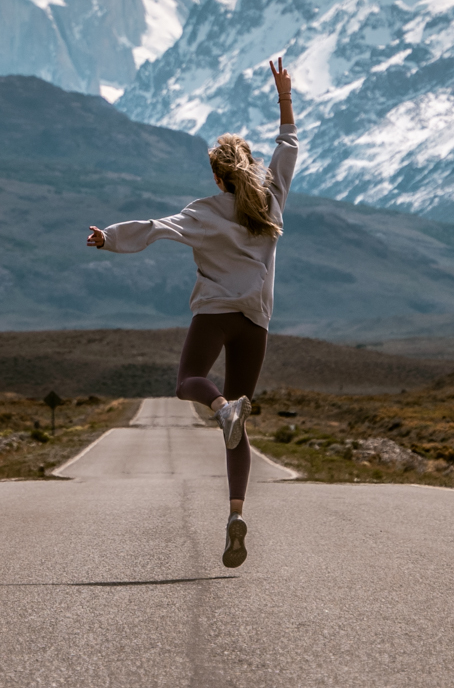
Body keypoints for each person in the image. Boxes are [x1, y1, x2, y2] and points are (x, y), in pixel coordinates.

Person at [87, 58, 297, 568]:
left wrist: (108, 237)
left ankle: (221, 408)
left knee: (188, 382)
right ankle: (235, 514)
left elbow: (156, 227)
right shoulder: (271, 199)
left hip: (214, 313)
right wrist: (284, 98)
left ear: (215, 174)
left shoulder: (203, 212)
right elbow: (288, 147)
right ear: (247, 166)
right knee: (240, 429)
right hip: (256, 319)